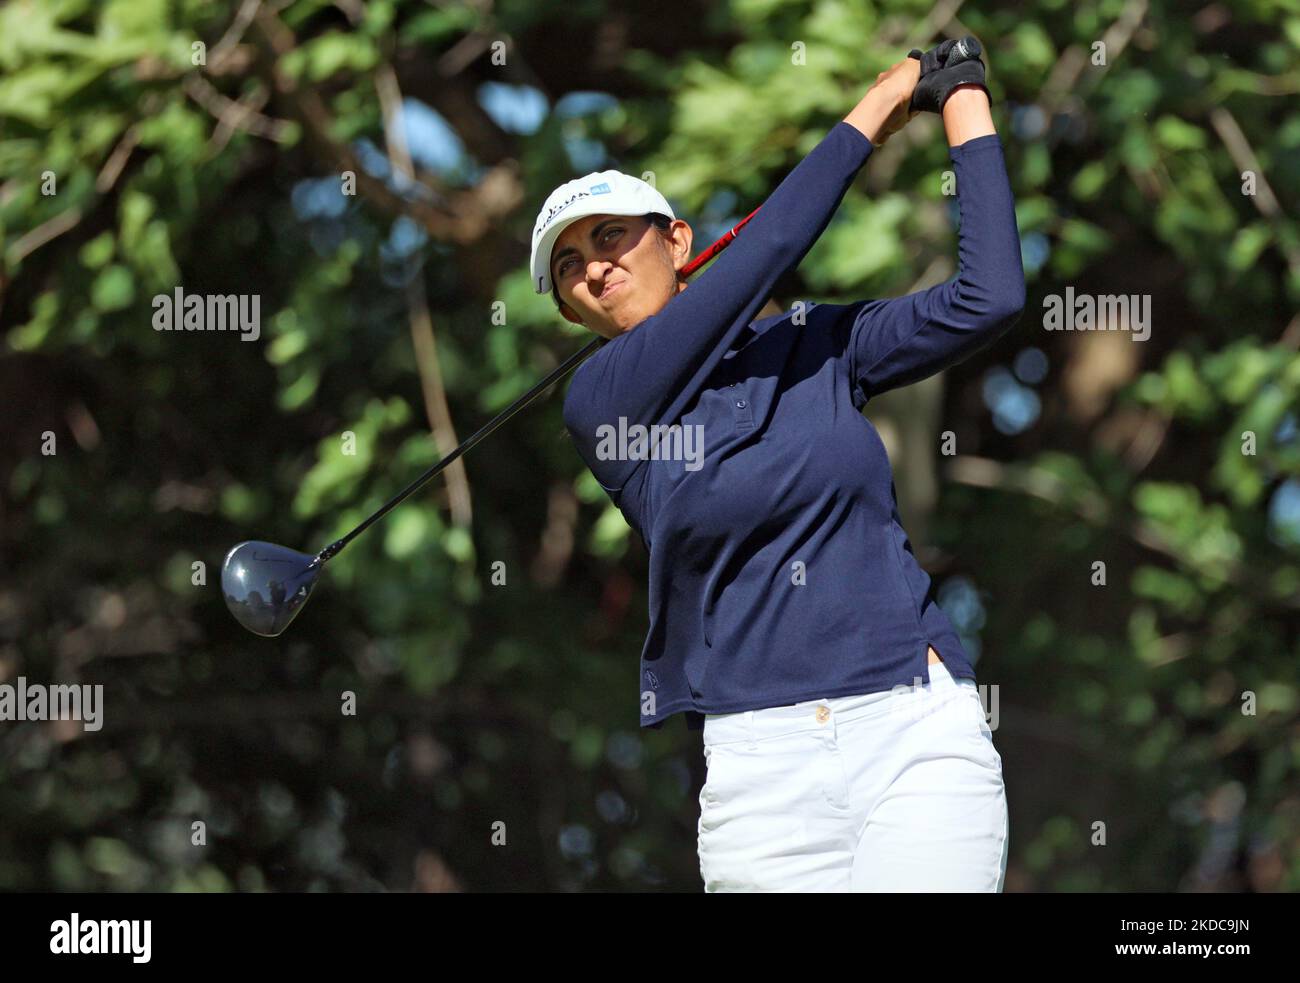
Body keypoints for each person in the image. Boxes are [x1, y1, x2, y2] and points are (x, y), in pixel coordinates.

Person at [530, 43, 1023, 891]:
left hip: (911, 730)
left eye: (608, 238)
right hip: (759, 778)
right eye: (567, 267)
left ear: (678, 241)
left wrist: (961, 96)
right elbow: (774, 243)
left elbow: (990, 297)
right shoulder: (603, 402)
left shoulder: (813, 344)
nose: (592, 269)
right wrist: (875, 109)